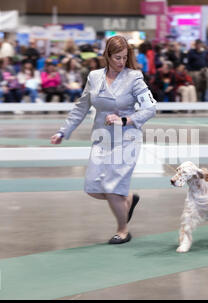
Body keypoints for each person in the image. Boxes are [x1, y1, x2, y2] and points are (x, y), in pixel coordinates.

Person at [50, 35, 156, 244]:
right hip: (102, 139)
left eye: (125, 57)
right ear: (107, 56)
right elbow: (81, 107)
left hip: (127, 138)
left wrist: (126, 119)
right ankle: (128, 199)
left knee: (111, 187)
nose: (121, 62)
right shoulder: (94, 77)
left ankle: (123, 230)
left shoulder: (134, 77)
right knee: (93, 188)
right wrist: (63, 131)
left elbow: (151, 107)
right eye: (117, 57)